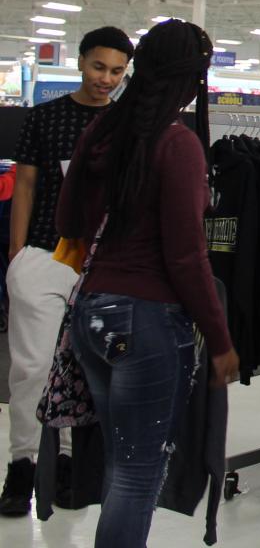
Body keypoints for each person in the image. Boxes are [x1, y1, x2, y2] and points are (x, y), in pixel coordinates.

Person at [52, 20, 236, 547]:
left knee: (119, 460)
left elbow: (67, 220)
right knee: (138, 473)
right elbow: (185, 256)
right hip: (148, 321)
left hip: (91, 313)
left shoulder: (103, 130)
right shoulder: (177, 144)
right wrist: (219, 338)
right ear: (191, 78)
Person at [2, 26, 133, 518]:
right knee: (31, 367)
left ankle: (71, 465)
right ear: (81, 63)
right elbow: (27, 186)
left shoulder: (127, 124)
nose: (107, 79)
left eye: (117, 71)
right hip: (44, 253)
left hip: (104, 264)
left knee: (88, 370)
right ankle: (22, 464)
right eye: (99, 67)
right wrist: (18, 254)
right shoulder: (45, 119)